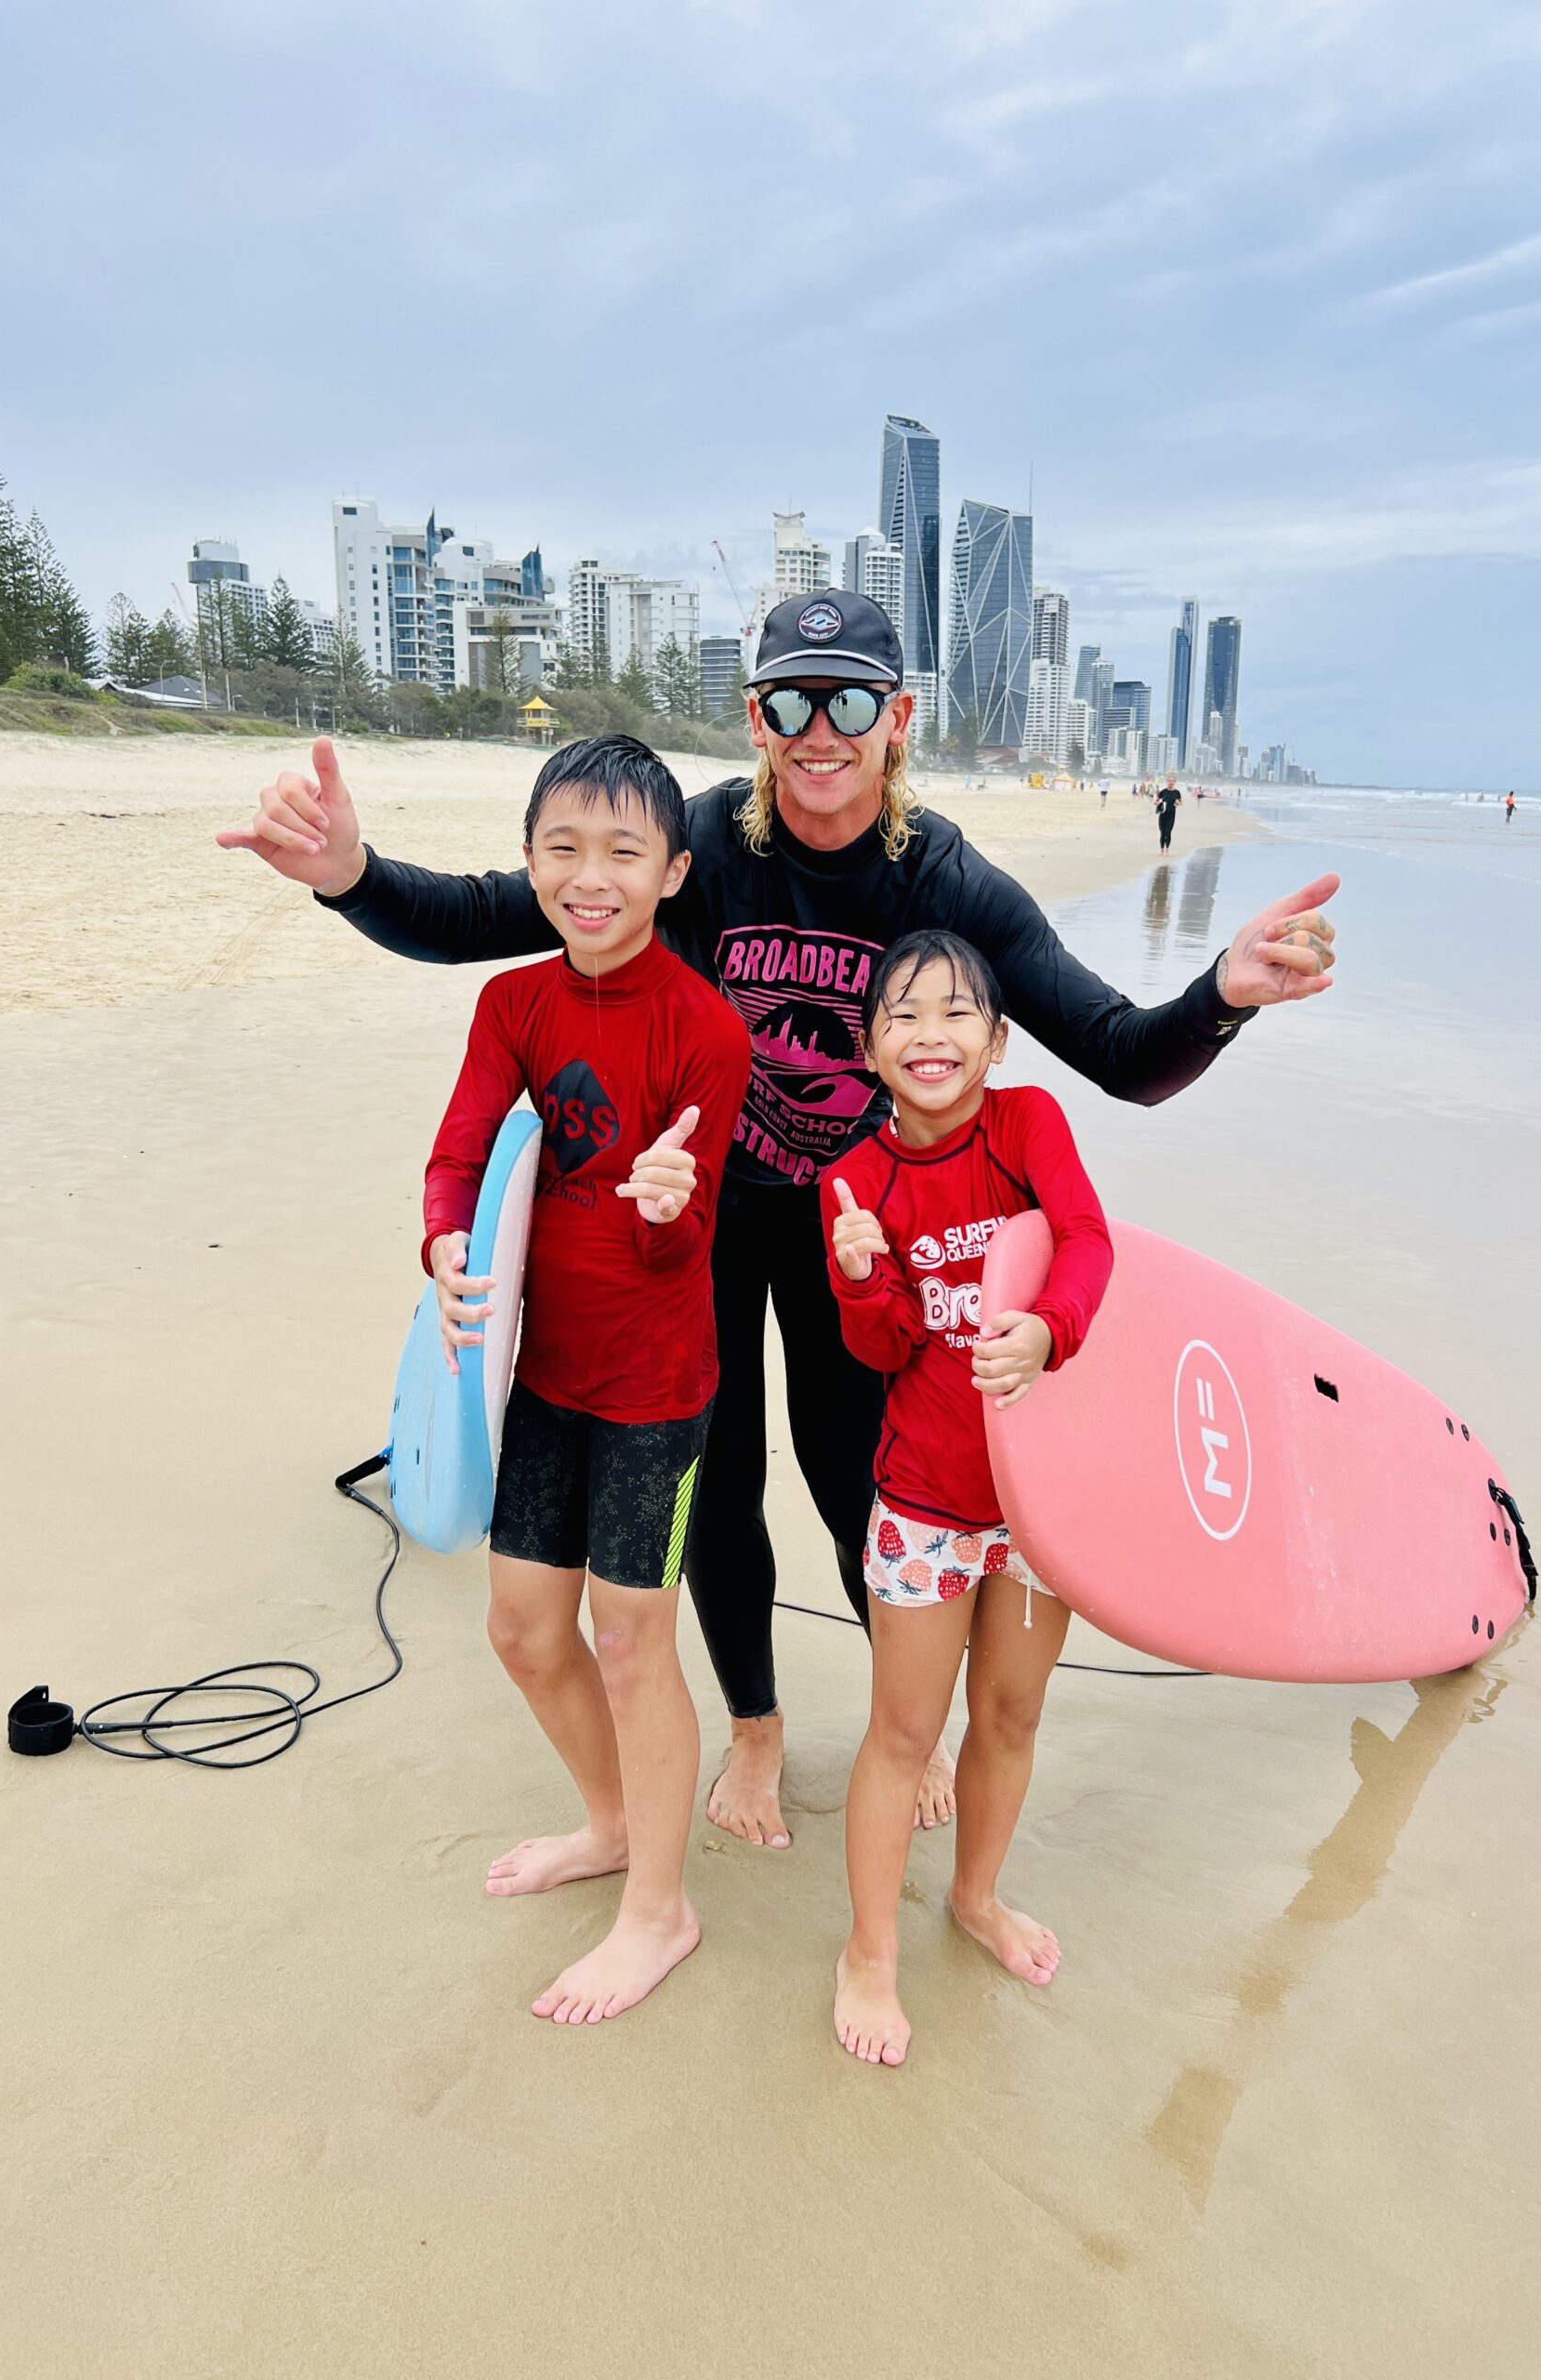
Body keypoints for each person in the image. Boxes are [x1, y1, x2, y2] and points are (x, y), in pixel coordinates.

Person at [217, 589, 1339, 1855]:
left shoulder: (946, 879)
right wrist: (349, 880)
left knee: (860, 1476)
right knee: (725, 1481)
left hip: (858, 1234)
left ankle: (895, 1725)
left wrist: (1224, 995)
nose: (820, 727)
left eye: (850, 698)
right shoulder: (697, 848)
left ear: (897, 718)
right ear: (756, 717)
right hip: (694, 1219)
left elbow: (1118, 1052)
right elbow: (492, 912)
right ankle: (754, 1722)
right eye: (791, 699)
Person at [420, 734, 751, 2023]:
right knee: (520, 1628)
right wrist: (446, 1239)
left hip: (658, 1389)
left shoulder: (705, 1031)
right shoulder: (512, 1007)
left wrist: (668, 1203)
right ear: (530, 861)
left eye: (624, 852)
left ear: (673, 872)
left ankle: (661, 1912)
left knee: (629, 1636)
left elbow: (682, 1242)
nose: (591, 876)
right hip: (543, 1372)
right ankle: (613, 1827)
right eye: (565, 847)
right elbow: (461, 1160)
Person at [822, 930, 1112, 2066]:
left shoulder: (1028, 1124)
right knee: (904, 1730)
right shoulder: (855, 1179)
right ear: (871, 1048)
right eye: (903, 1015)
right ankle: (869, 1951)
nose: (930, 1034)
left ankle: (978, 1896)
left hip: (1039, 1504)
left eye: (957, 1014)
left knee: (1011, 1716)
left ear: (997, 1039)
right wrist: (859, 1275)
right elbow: (884, 1347)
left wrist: (1049, 1329)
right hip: (929, 1504)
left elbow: (1087, 1241)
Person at [1154, 777, 1181, 852]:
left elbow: (1181, 802)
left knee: (1168, 831)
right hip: (1163, 815)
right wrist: (1158, 802)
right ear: (1167, 782)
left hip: (1171, 815)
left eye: (1172, 781)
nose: (1171, 782)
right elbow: (1155, 802)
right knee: (1162, 833)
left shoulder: (1177, 793)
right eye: (1169, 781)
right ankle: (1162, 850)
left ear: (1175, 782)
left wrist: (1178, 803)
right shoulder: (1163, 792)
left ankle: (1167, 849)